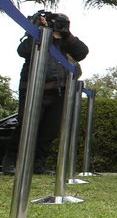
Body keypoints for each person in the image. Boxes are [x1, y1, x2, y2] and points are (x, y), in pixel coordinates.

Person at [3, 11, 88, 175]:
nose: (61, 26)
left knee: (50, 131)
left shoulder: (65, 42)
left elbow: (82, 52)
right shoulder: (37, 36)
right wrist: (38, 30)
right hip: (34, 87)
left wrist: (67, 34)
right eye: (58, 23)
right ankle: (11, 161)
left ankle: (38, 164)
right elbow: (23, 51)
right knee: (25, 127)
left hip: (59, 90)